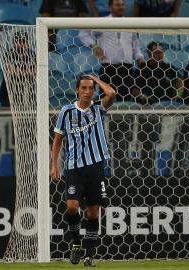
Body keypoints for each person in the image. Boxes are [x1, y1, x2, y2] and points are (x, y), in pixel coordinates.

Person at [51, 74, 116, 267]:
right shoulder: (67, 111)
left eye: (91, 88)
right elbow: (57, 140)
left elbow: (111, 92)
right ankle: (76, 244)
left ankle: (89, 255)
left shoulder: (98, 108)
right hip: (74, 168)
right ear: (77, 90)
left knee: (93, 212)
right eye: (84, 88)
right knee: (71, 206)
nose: (88, 91)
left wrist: (96, 78)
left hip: (95, 167)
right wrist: (54, 166)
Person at [79, 0, 144, 103]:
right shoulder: (103, 22)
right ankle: (105, 119)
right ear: (110, 8)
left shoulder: (130, 24)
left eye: (123, 5)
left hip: (127, 70)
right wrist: (95, 46)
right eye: (117, 5)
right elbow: (83, 33)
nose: (121, 7)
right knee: (107, 101)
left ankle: (125, 120)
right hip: (108, 69)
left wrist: (139, 57)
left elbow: (135, 44)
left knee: (125, 102)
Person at [0, 31, 36, 107]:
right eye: (18, 42)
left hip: (29, 92)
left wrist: (17, 71)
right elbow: (9, 71)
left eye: (23, 42)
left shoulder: (33, 55)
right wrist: (27, 72)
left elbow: (36, 72)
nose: (21, 45)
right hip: (10, 92)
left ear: (28, 43)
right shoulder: (8, 54)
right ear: (13, 43)